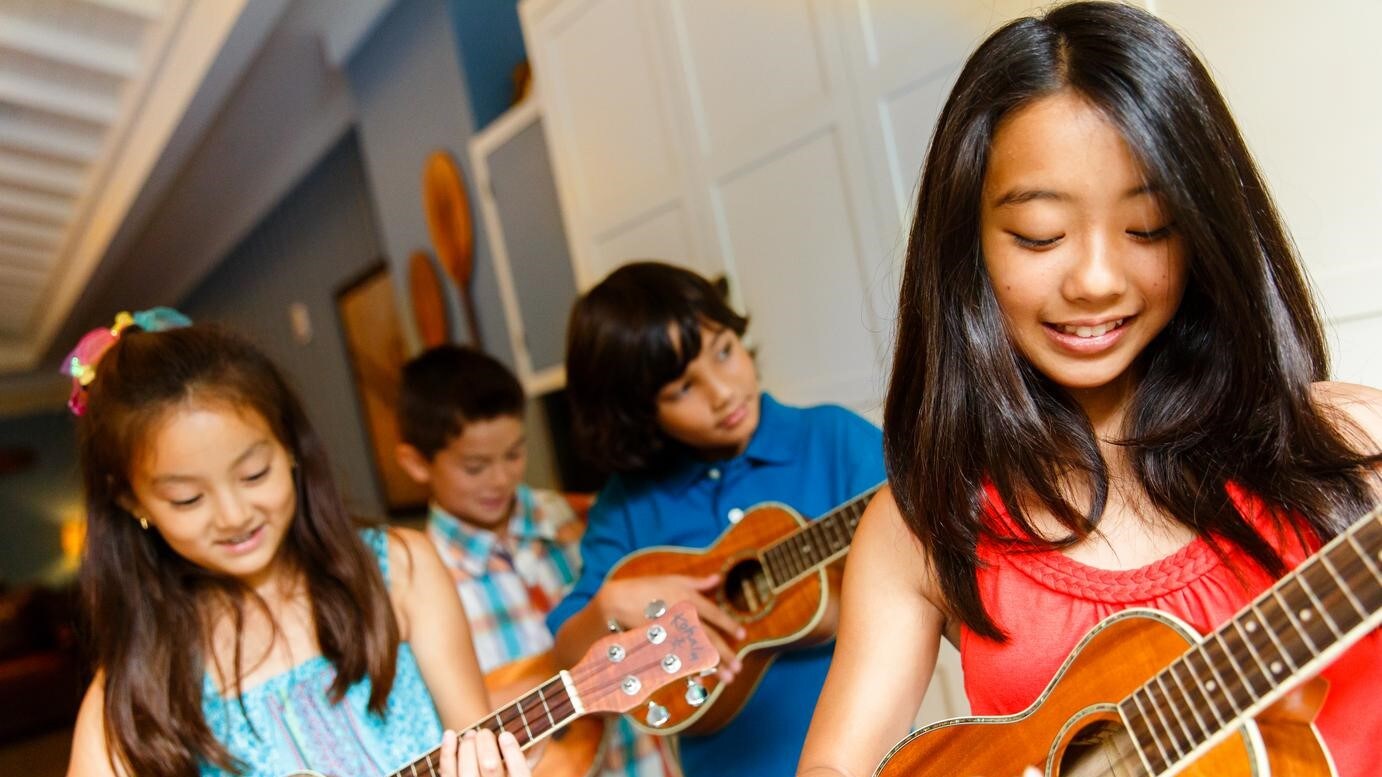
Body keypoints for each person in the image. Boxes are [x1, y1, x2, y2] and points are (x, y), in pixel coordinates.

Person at [796, 3, 1382, 776]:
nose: (1097, 281)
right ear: (966, 246)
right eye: (1039, 236)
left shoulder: (1349, 449)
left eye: (1148, 229)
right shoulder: (922, 527)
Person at [62, 312, 529, 777]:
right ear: (131, 500)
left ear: (288, 445)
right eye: (188, 498)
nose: (234, 515)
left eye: (253, 474)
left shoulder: (401, 568)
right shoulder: (137, 685)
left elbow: (474, 740)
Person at [547, 262, 886, 777]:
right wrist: (612, 603)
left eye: (724, 351)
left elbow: (926, 574)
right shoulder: (628, 507)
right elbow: (572, 657)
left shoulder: (830, 440)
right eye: (683, 388)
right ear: (639, 412)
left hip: (875, 759)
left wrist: (833, 610)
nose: (723, 392)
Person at [395, 343, 671, 777]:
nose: (501, 478)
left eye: (514, 453)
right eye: (475, 466)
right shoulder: (412, 587)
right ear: (415, 463)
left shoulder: (585, 520)